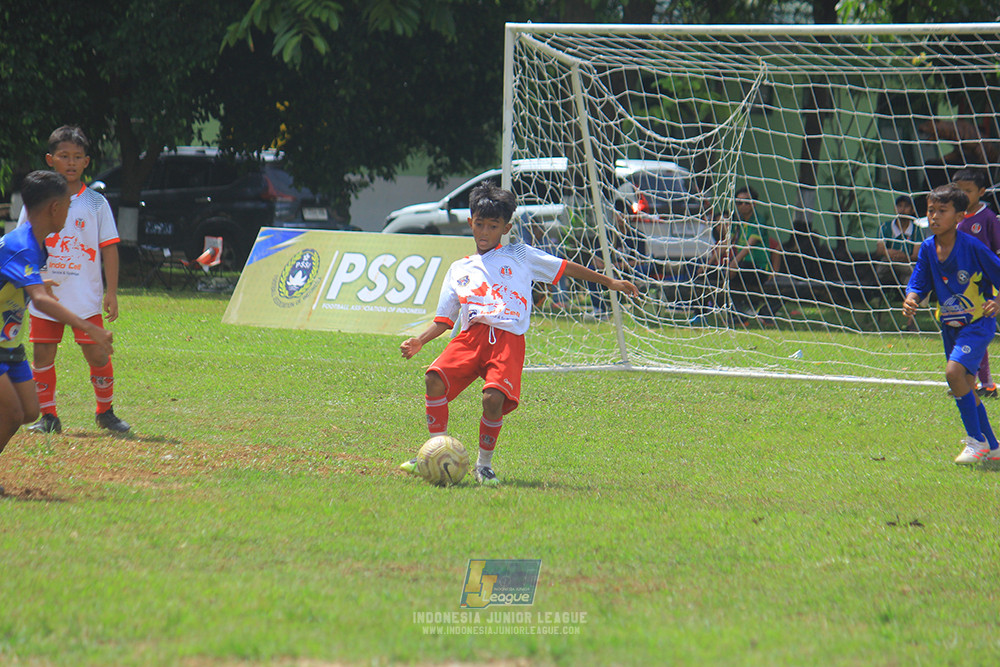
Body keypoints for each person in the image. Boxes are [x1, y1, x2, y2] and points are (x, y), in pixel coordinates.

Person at [397, 182, 639, 485]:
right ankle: (433, 452)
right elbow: (445, 320)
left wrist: (609, 282)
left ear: (506, 227)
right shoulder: (459, 269)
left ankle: (484, 465)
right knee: (433, 378)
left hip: (507, 340)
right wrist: (420, 340)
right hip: (470, 338)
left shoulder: (521, 255)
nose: (484, 232)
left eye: (493, 226)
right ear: (471, 222)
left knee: (493, 398)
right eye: (480, 224)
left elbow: (565, 268)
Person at [16, 126, 130, 434]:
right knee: (42, 354)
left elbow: (109, 247)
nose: (71, 162)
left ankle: (105, 412)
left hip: (85, 294)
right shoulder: (37, 200)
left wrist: (112, 292)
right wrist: (31, 281)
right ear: (50, 160)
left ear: (87, 162)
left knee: (97, 352)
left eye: (77, 157)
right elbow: (22, 243)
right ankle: (49, 417)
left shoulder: (95, 202)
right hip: (47, 294)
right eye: (64, 156)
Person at [1, 171, 114, 456]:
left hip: (9, 344)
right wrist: (89, 327)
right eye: (67, 204)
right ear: (55, 208)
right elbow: (40, 301)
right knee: (13, 413)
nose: (69, 211)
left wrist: (36, 284)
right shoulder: (22, 245)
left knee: (28, 411)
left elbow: (18, 281)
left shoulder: (37, 244)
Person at [902, 184, 1000, 465]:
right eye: (931, 210)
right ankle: (993, 447)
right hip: (950, 327)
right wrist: (911, 298)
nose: (934, 217)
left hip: (977, 323)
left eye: (942, 211)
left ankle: (975, 441)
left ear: (959, 217)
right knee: (966, 384)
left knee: (953, 373)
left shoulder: (972, 247)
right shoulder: (927, 249)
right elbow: (919, 282)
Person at [952, 168, 1000, 397]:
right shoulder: (954, 217)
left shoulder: (988, 218)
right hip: (958, 284)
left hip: (982, 284)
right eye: (958, 190)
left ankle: (987, 384)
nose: (962, 195)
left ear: (981, 192)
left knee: (977, 331)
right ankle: (968, 383)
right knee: (959, 330)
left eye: (968, 191)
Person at [730, 186, 782, 323]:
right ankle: (739, 313)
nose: (742, 206)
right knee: (717, 274)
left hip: (758, 268)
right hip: (742, 265)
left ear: (754, 203)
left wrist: (734, 263)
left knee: (735, 272)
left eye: (746, 202)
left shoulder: (758, 221)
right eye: (739, 202)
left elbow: (749, 245)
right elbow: (726, 242)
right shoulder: (736, 220)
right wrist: (709, 262)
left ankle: (745, 312)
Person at [875, 195, 924, 331]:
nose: (902, 209)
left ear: (912, 210)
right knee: (913, 275)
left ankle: (910, 322)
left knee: (911, 280)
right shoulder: (885, 227)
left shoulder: (916, 230)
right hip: (887, 267)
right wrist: (896, 255)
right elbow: (880, 251)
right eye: (900, 206)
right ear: (895, 208)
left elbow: (915, 255)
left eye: (906, 206)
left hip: (905, 266)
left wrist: (894, 254)